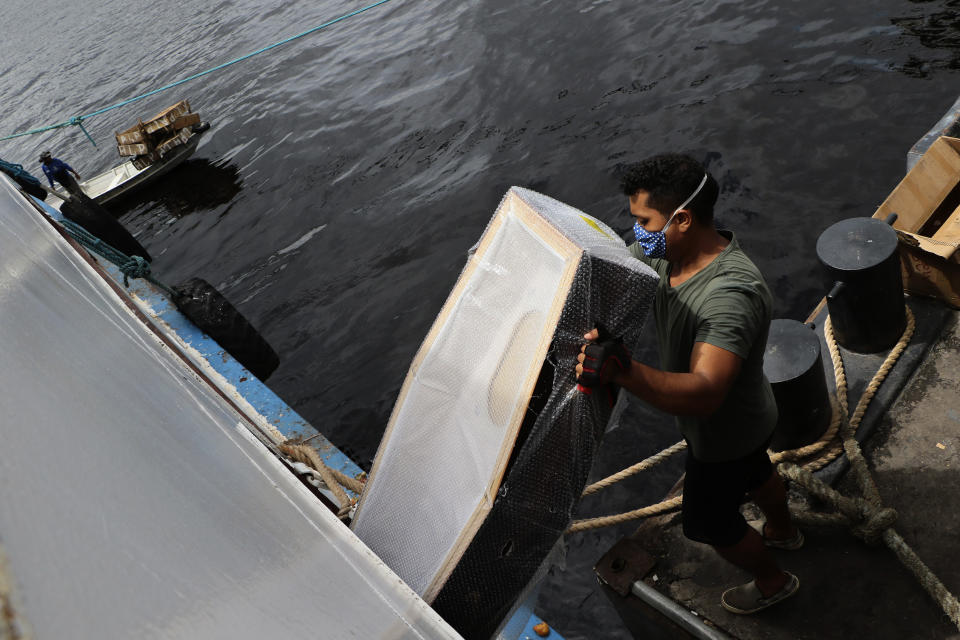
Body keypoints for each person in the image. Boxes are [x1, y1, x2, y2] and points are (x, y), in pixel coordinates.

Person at [575, 153, 802, 615]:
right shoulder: (665, 254)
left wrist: (623, 370)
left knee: (708, 522)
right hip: (755, 414)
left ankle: (773, 581)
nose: (636, 230)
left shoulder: (729, 296)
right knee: (757, 471)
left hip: (723, 435)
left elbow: (704, 393)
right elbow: (617, 266)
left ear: (681, 219)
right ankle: (783, 531)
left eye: (643, 220)